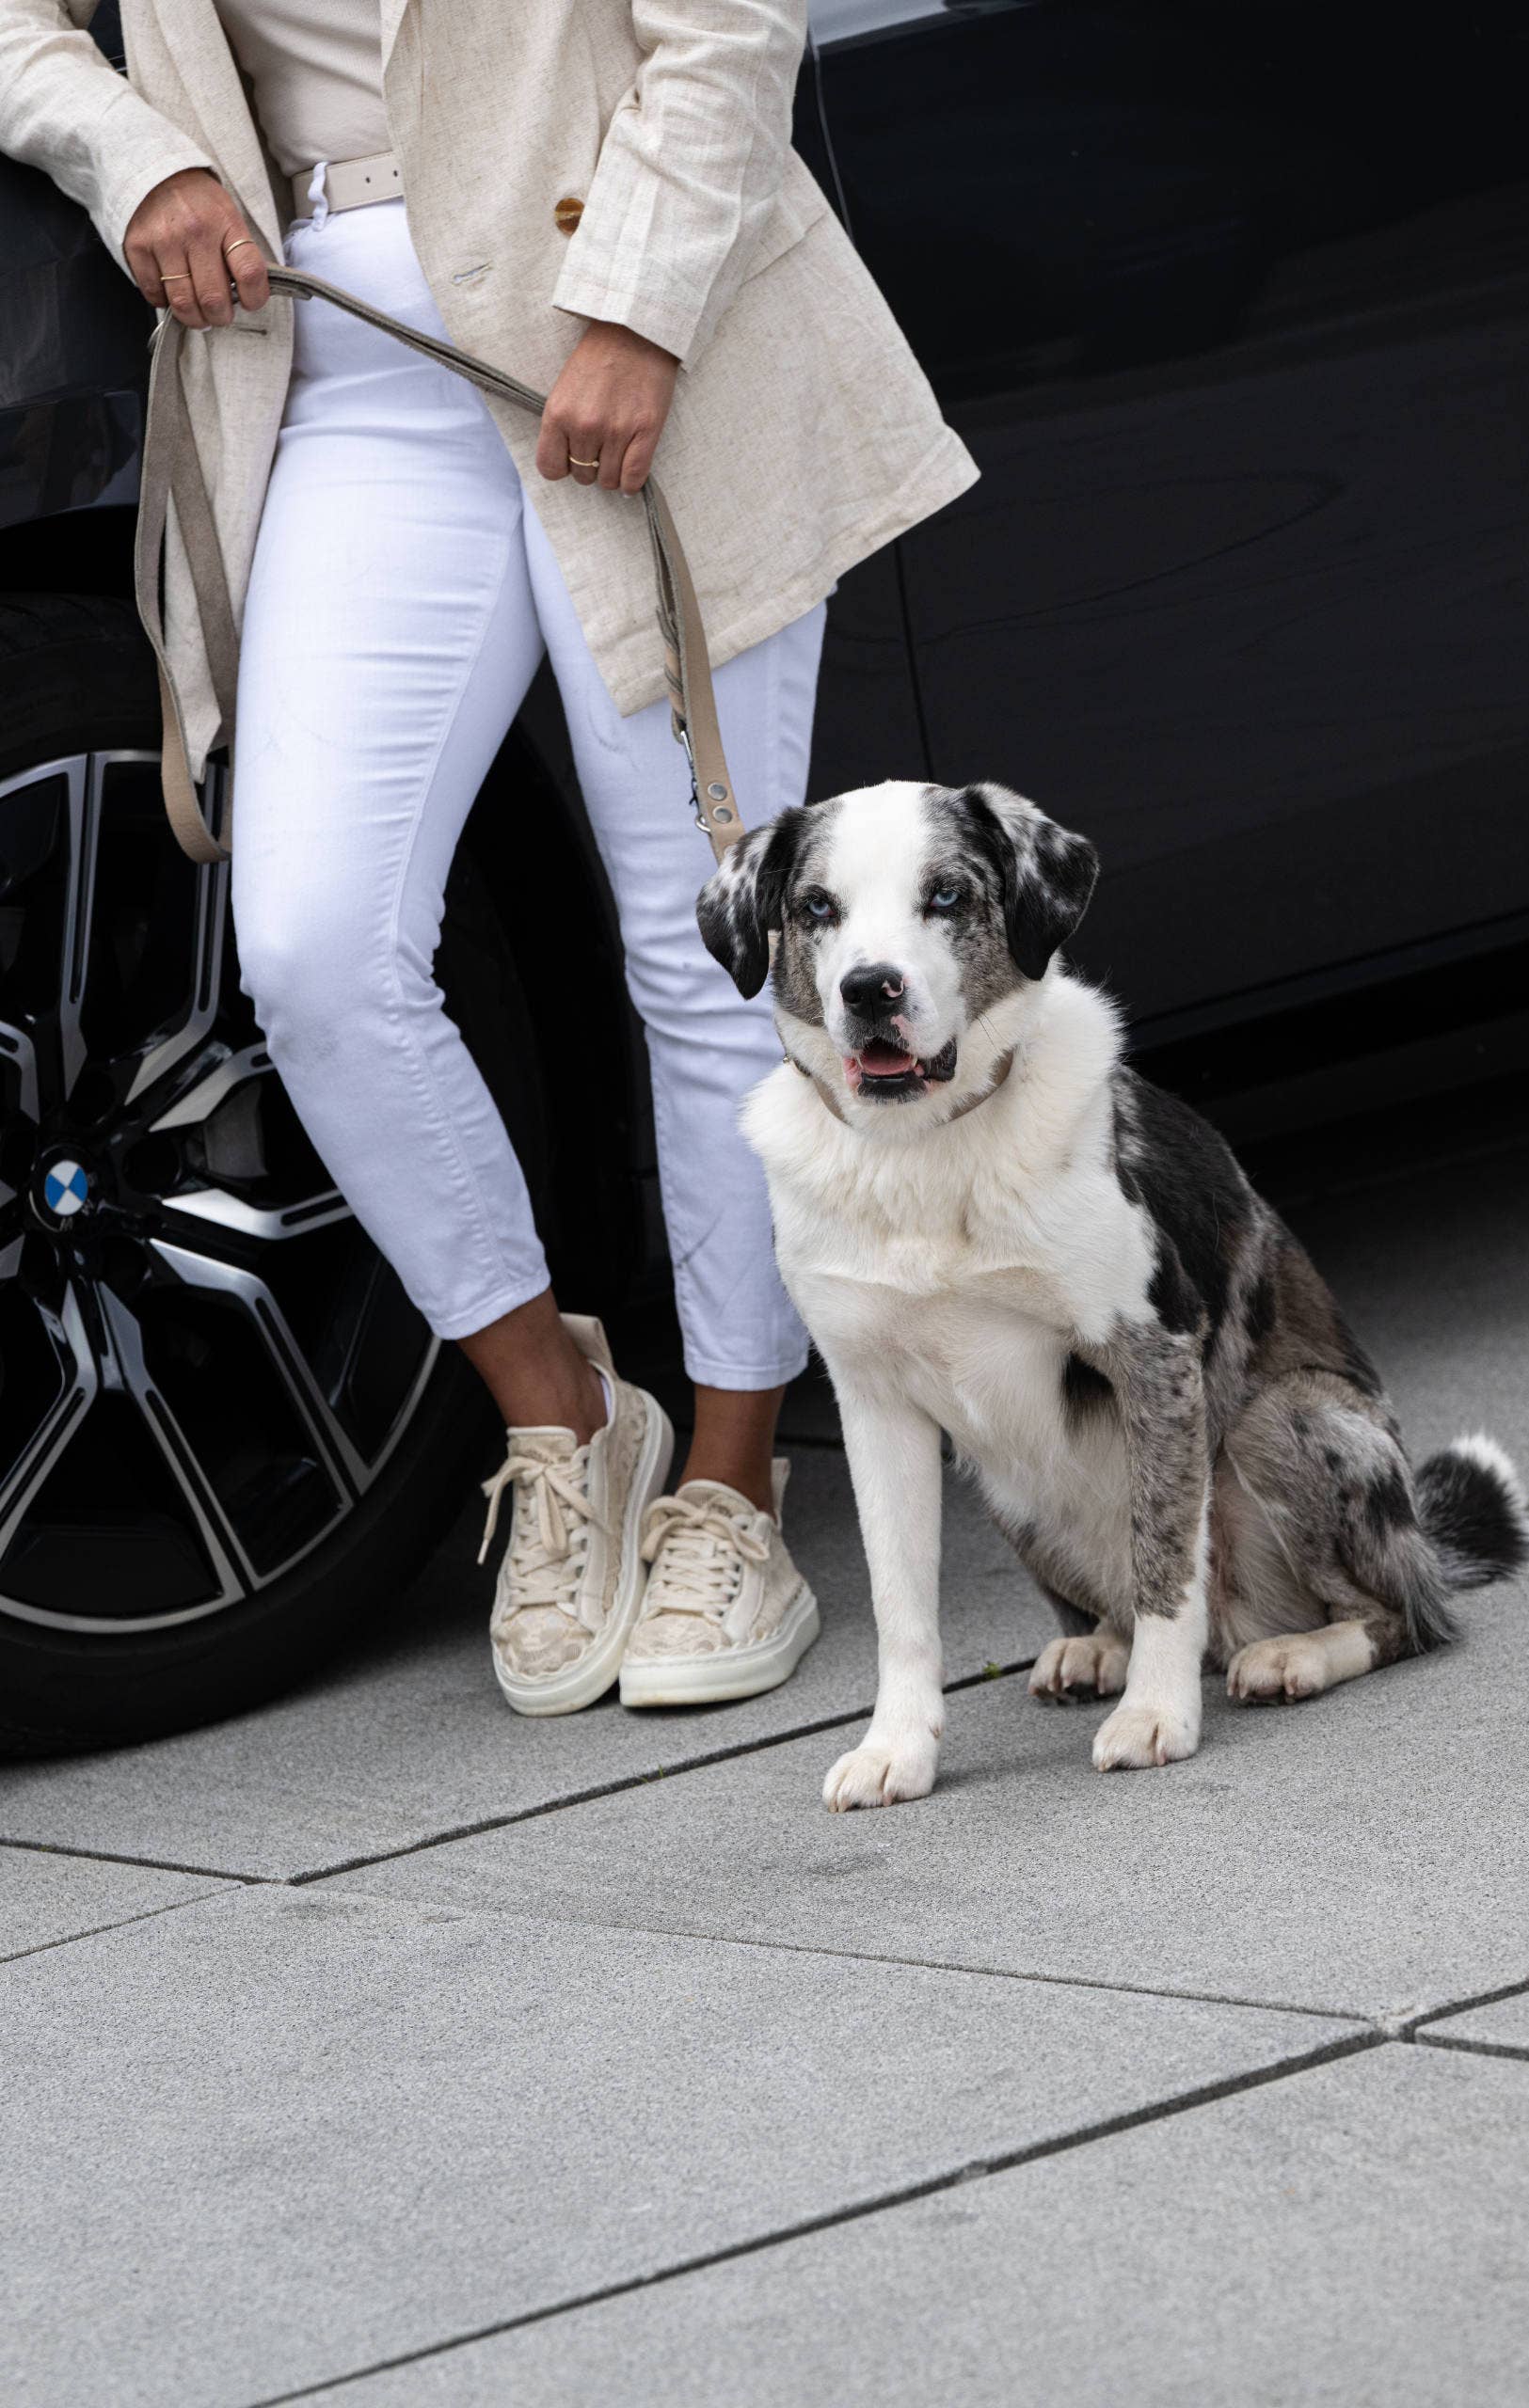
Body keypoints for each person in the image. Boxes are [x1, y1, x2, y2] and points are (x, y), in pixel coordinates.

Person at [0, 0, 979, 1717]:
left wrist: (643, 312)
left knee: (706, 947)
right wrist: (133, 151)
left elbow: (731, 24)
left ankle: (738, 1483)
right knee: (312, 945)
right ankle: (568, 1421)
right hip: (335, 355)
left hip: (630, 326)